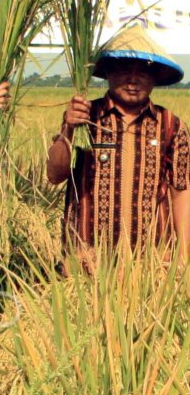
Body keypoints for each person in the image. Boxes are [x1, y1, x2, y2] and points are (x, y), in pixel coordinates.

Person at [46, 25, 190, 263]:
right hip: (88, 260)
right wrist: (69, 129)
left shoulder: (171, 125)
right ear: (109, 73)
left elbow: (181, 192)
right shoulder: (85, 118)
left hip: (153, 263)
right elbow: (54, 175)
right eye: (124, 69)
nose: (133, 79)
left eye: (143, 72)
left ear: (154, 78)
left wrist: (184, 259)